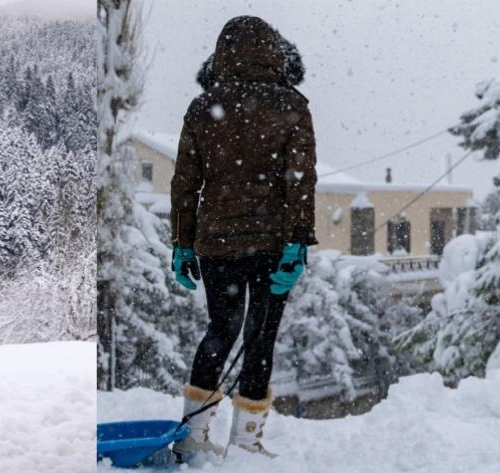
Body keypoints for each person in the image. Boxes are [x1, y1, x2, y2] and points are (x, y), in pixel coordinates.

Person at [169, 16, 317, 460]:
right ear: (274, 53)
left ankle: (193, 436)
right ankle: (247, 443)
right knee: (260, 337)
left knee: (220, 330)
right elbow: (300, 181)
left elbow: (185, 182)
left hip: (217, 242)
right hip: (273, 244)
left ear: (221, 54)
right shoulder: (292, 105)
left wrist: (181, 243)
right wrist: (297, 242)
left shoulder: (203, 106)